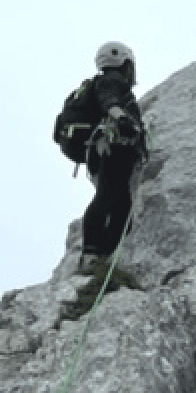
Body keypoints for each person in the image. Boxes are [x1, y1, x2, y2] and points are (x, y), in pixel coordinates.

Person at [65, 41, 147, 270]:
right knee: (108, 196)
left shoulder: (104, 81)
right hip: (113, 146)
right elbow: (108, 100)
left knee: (120, 205)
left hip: (101, 149)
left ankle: (103, 255)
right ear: (124, 62)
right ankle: (91, 254)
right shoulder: (112, 80)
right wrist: (122, 118)